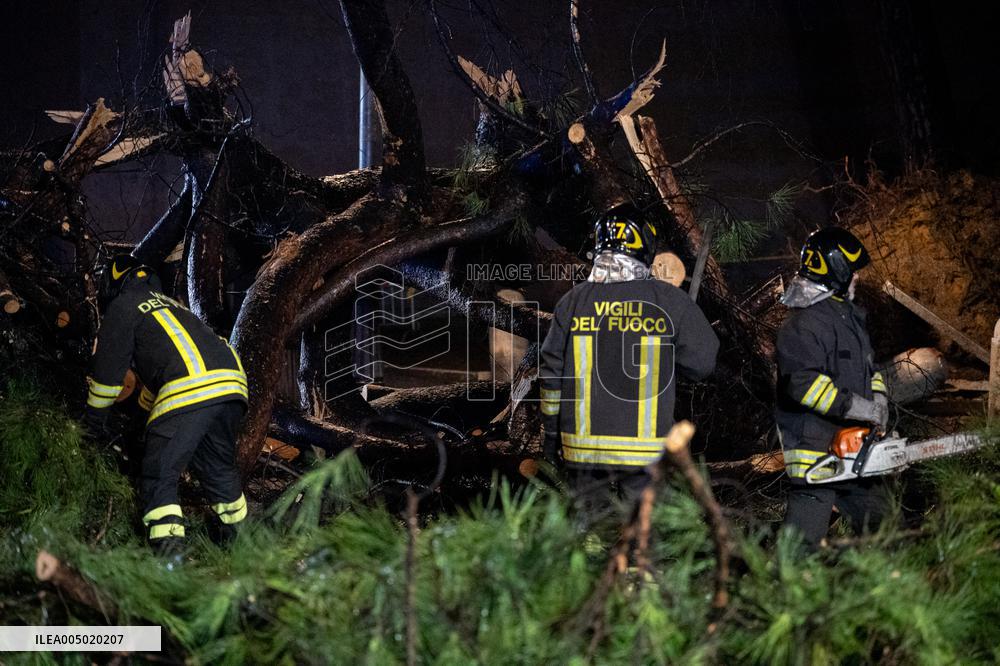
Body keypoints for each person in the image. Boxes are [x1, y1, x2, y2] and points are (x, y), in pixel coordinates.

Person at [538, 203, 719, 517]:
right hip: (644, 454)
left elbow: (551, 377)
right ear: (645, 247)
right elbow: (703, 363)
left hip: (582, 449)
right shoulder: (670, 301)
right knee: (643, 535)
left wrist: (552, 437)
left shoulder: (572, 302)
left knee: (585, 533)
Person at [83, 254, 249, 555]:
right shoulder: (175, 306)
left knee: (160, 472)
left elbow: (108, 379)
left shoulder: (124, 306)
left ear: (114, 283)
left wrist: (92, 425)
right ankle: (243, 548)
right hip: (231, 385)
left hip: (190, 388)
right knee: (219, 470)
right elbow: (159, 383)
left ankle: (171, 560)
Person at [775, 227, 890, 549]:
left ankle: (889, 590)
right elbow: (803, 384)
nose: (856, 279)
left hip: (855, 447)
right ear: (836, 270)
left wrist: (878, 399)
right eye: (852, 273)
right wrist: (858, 407)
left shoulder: (846, 317)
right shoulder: (803, 324)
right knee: (802, 543)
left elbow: (870, 368)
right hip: (815, 451)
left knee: (884, 530)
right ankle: (782, 593)